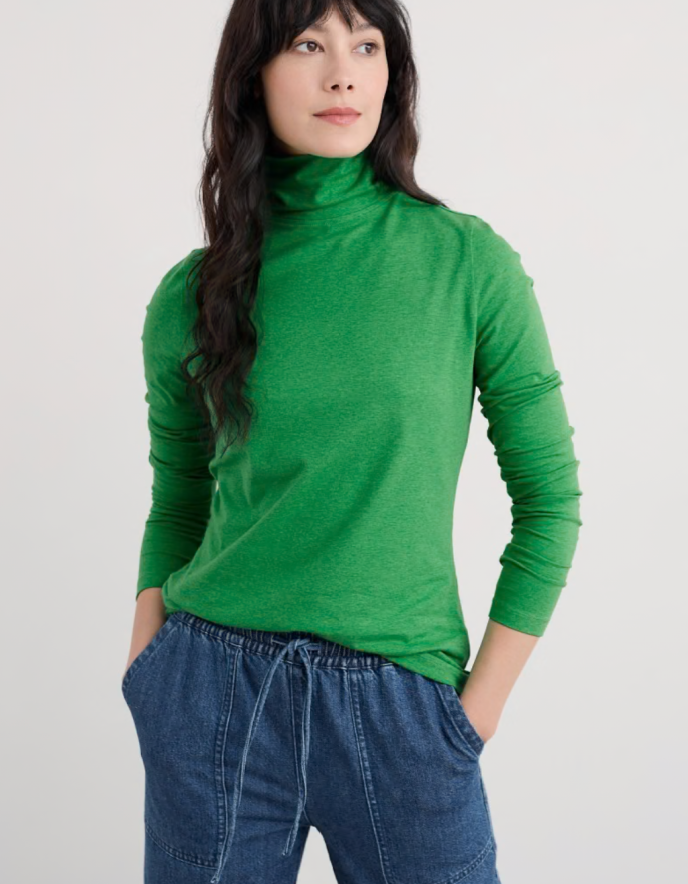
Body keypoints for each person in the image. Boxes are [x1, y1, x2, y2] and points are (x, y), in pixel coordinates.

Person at [121, 1, 583, 882]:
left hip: (404, 708)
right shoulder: (191, 294)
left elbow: (550, 502)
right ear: (252, 76)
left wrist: (473, 714)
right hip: (212, 693)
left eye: (366, 46)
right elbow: (179, 500)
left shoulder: (465, 263)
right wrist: (151, 660)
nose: (344, 73)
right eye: (309, 45)